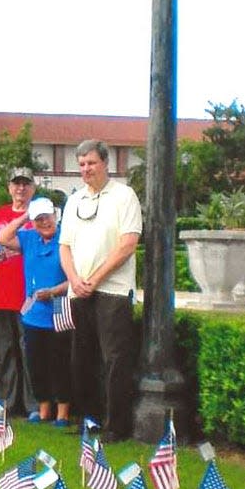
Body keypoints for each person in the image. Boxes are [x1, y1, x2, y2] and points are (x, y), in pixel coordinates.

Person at [59, 139, 142, 442]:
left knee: (114, 359)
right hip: (79, 291)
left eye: (91, 163)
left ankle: (116, 426)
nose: (86, 169)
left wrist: (94, 279)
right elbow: (64, 246)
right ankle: (89, 419)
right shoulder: (75, 200)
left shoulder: (124, 196)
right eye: (81, 164)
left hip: (113, 291)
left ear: (106, 163)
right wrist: (75, 280)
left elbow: (128, 244)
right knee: (82, 358)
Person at [0, 197, 71, 425]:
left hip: (59, 308)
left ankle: (63, 412)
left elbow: (76, 277)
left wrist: (55, 291)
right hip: (33, 311)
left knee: (60, 362)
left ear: (55, 216)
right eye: (39, 219)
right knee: (36, 363)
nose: (44, 222)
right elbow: (1, 238)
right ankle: (44, 408)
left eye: (47, 217)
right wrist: (25, 217)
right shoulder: (29, 238)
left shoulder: (65, 240)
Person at [0, 166, 38, 420]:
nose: (20, 189)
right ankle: (6, 400)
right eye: (16, 184)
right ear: (9, 188)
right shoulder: (0, 214)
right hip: (0, 295)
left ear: (33, 188)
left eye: (25, 184)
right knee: (5, 350)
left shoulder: (39, 215)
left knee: (28, 350)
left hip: (28, 295)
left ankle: (33, 404)